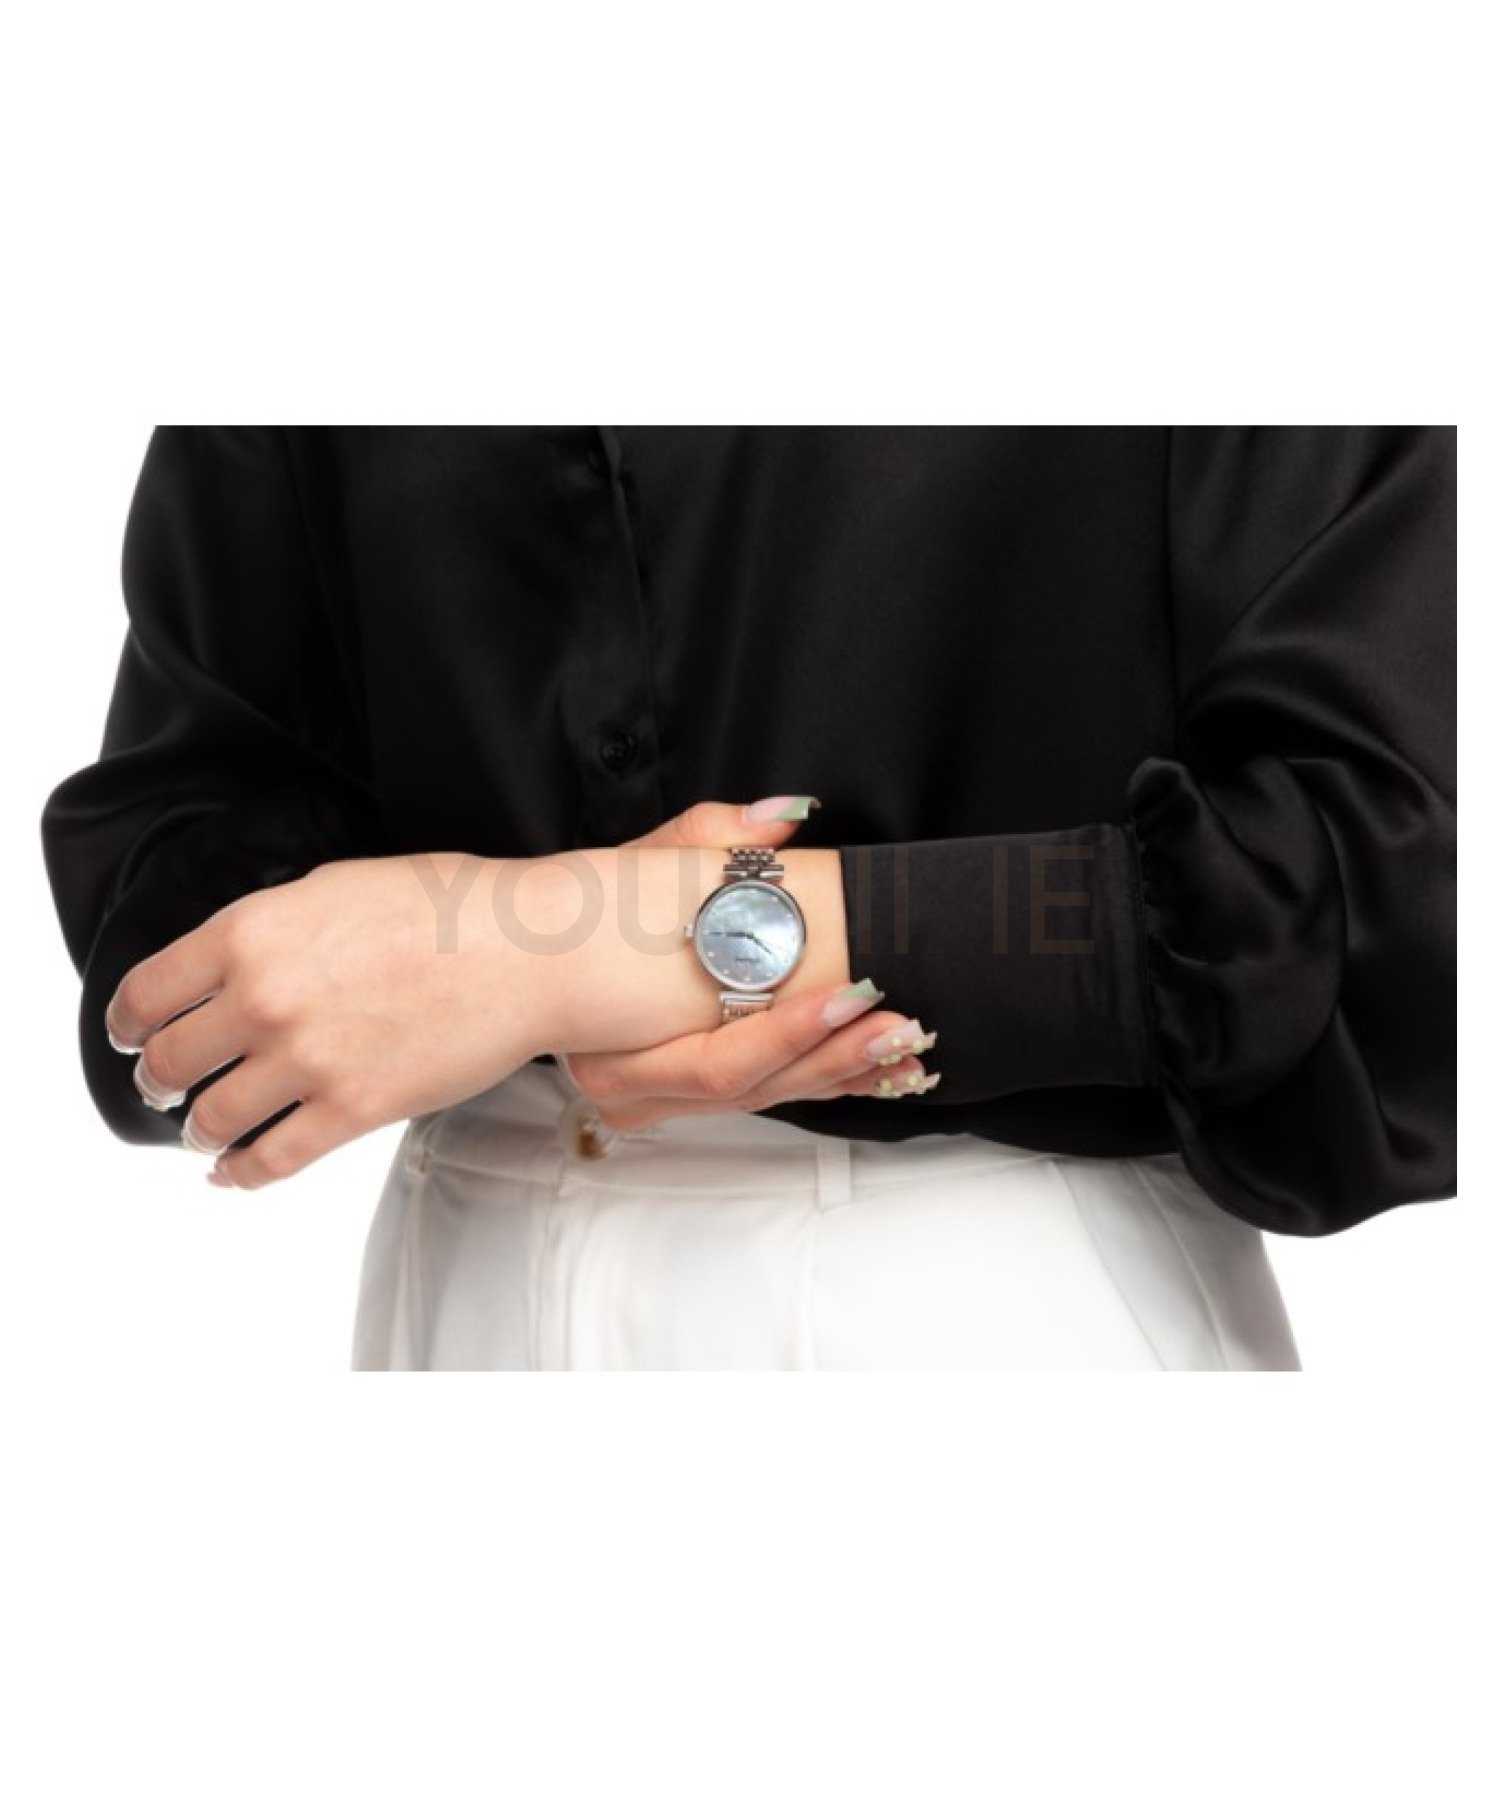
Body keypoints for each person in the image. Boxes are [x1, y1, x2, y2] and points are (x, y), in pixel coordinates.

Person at [40, 427, 1456, 1370]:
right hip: (458, 1274)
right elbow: (165, 920)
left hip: (990, 1296)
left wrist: (574, 948)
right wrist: (283, 993)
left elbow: (1389, 883)